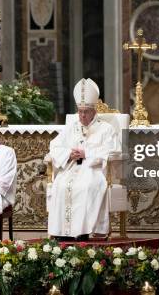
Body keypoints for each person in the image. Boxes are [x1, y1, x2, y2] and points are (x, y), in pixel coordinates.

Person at [46, 78, 118, 240]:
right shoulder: (72, 127)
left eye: (86, 111)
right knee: (61, 184)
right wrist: (68, 154)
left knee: (85, 186)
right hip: (71, 168)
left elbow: (112, 151)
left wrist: (87, 154)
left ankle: (83, 232)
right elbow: (54, 146)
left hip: (93, 170)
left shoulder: (106, 129)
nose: (82, 115)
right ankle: (62, 234)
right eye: (80, 111)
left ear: (94, 111)